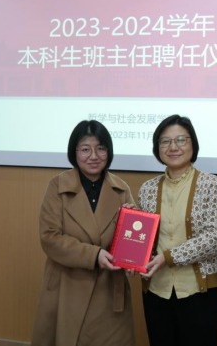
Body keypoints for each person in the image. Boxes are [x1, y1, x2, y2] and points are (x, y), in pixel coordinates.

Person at [31, 120, 135, 346]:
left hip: (108, 289)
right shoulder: (57, 186)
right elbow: (50, 237)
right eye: (85, 149)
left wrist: (133, 245)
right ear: (74, 152)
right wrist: (93, 255)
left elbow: (132, 241)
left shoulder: (121, 189)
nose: (93, 156)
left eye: (101, 148)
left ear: (108, 151)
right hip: (66, 286)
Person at [138, 114, 217, 346]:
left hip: (198, 294)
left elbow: (215, 237)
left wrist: (168, 257)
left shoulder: (211, 184)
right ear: (157, 147)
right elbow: (144, 239)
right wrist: (133, 255)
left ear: (193, 144)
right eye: (165, 141)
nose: (173, 147)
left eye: (181, 140)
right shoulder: (147, 189)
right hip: (157, 292)